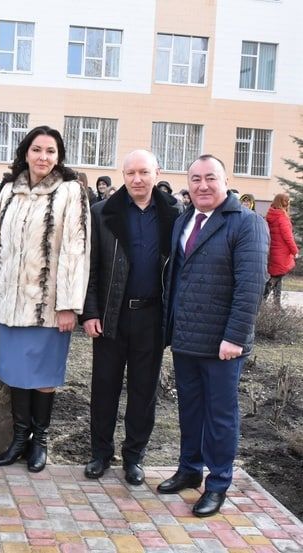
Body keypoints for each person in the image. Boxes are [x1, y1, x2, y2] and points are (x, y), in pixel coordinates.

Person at [0, 125, 91, 472]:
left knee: (44, 375)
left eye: (50, 151)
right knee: (15, 373)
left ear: (59, 156)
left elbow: (76, 251)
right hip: (12, 304)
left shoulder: (70, 192)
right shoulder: (9, 192)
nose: (43, 157)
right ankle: (19, 439)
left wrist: (68, 306)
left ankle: (40, 441)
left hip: (48, 307)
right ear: (25, 153)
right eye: (37, 150)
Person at [158, 154, 269, 517]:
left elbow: (250, 286)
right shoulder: (184, 220)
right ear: (187, 184)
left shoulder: (246, 223)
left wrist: (235, 337)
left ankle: (218, 482)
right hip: (187, 337)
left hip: (223, 343)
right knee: (190, 409)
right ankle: (189, 470)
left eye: (210, 178)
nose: (202, 186)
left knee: (220, 415)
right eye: (195, 179)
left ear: (225, 181)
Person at [80, 150, 180, 485]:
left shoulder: (174, 215)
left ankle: (134, 457)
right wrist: (90, 312)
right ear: (122, 175)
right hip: (111, 315)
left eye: (144, 172)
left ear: (157, 172)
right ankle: (100, 454)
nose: (137, 179)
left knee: (143, 392)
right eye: (130, 173)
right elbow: (91, 268)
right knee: (104, 388)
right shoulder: (103, 213)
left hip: (151, 317)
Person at [264, 192, 299, 306]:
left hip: (274, 251)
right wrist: (295, 251)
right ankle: (261, 302)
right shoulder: (281, 217)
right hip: (282, 253)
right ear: (284, 203)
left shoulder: (271, 214)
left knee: (278, 277)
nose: (288, 204)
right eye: (287, 201)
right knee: (276, 277)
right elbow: (288, 237)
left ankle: (277, 305)